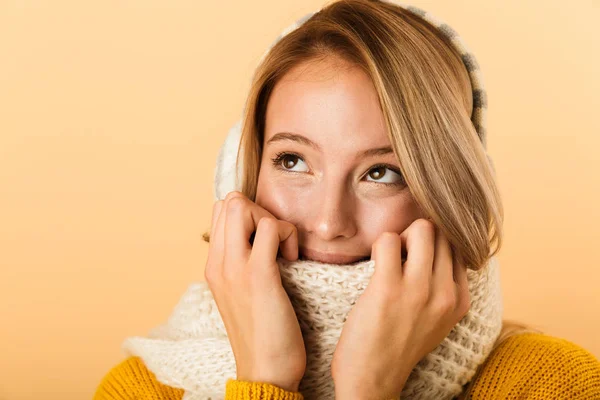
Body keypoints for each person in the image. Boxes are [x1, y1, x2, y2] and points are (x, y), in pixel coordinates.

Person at [93, 0, 600, 399]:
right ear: (240, 176)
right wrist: (264, 378)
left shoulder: (548, 384)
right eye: (292, 161)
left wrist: (369, 390)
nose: (328, 221)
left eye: (382, 172)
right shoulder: (144, 390)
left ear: (448, 196)